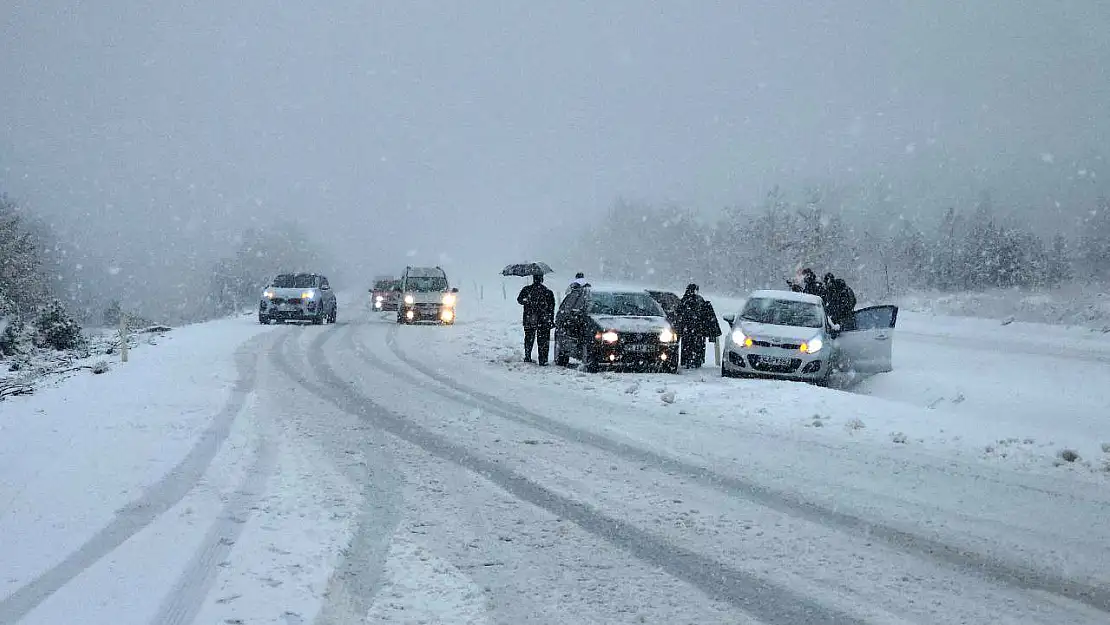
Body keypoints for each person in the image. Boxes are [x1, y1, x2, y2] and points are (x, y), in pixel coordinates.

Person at [517, 274, 555, 365]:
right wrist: (550, 320)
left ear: (533, 279)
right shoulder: (547, 292)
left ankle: (527, 356)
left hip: (529, 318)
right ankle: (543, 360)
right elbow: (551, 308)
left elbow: (519, 300)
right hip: (543, 320)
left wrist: (527, 301)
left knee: (529, 338)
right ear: (542, 279)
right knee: (543, 341)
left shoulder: (527, 289)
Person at [676, 283, 714, 368]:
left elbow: (680, 312)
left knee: (692, 345)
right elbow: (681, 312)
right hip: (693, 328)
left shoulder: (690, 299)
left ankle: (692, 360)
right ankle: (693, 360)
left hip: (693, 328)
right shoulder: (690, 299)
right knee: (693, 345)